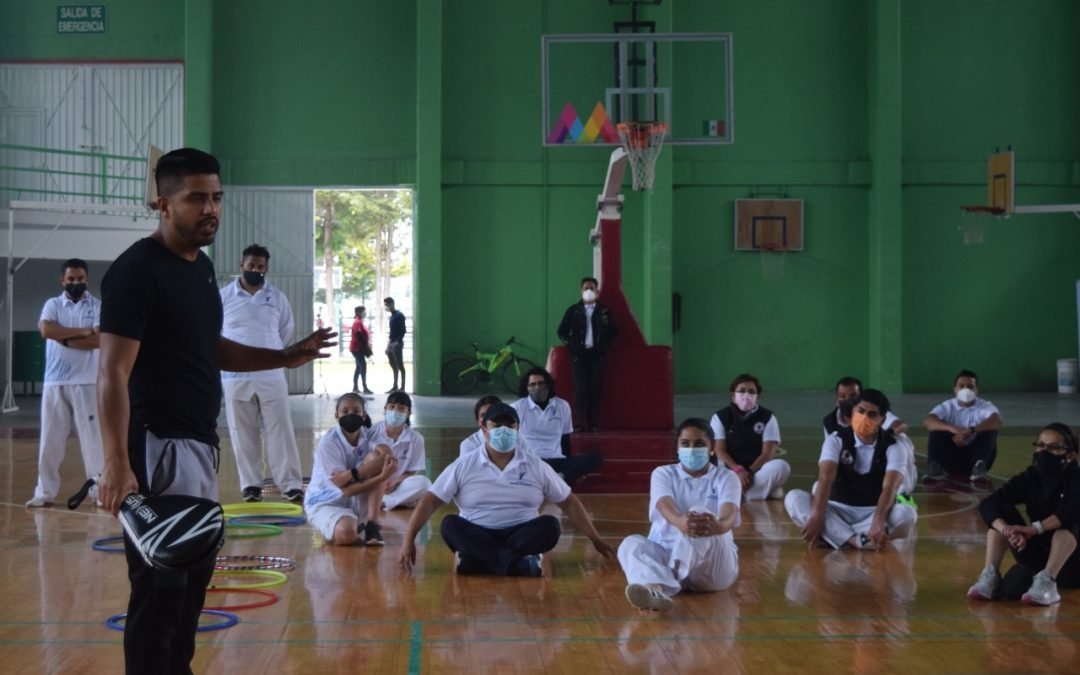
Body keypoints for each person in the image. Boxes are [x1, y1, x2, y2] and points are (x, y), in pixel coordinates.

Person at [94, 147, 335, 675]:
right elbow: (111, 372)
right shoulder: (137, 271)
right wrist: (115, 462)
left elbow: (212, 346)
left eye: (217, 197)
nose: (211, 209)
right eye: (196, 198)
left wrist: (286, 355)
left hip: (199, 444)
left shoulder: (200, 268)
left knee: (190, 587)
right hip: (159, 445)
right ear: (163, 204)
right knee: (161, 588)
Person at [398, 402, 617, 576]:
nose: (503, 430)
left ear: (518, 429)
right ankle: (517, 565)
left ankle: (480, 563)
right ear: (484, 430)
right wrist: (408, 541)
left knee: (550, 526)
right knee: (450, 526)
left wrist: (596, 540)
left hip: (521, 533)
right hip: (478, 531)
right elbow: (430, 501)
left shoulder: (535, 465)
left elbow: (568, 501)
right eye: (496, 425)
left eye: (509, 426)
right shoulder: (464, 464)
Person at [617, 418, 741, 612]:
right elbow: (664, 504)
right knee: (630, 544)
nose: (692, 449)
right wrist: (679, 521)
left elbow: (729, 512)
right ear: (677, 447)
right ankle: (654, 590)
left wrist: (721, 526)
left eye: (699, 444)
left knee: (700, 514)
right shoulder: (663, 473)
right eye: (686, 444)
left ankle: (666, 582)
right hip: (668, 554)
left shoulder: (726, 477)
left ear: (712, 448)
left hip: (712, 566)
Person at [219, 243, 305, 504]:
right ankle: (251, 485)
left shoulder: (277, 297)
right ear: (241, 265)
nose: (255, 269)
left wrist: (268, 354)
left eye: (260, 266)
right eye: (251, 265)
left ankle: (290, 484)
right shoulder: (223, 296)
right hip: (235, 377)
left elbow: (285, 331)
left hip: (271, 375)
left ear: (266, 269)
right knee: (242, 431)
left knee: (280, 430)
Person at [785, 389, 917, 550]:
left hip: (872, 512)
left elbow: (890, 487)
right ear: (853, 411)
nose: (864, 417)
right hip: (837, 509)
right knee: (793, 498)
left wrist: (878, 522)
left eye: (872, 414)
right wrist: (817, 517)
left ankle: (836, 537)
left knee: (907, 515)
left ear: (882, 420)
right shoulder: (836, 440)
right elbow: (826, 479)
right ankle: (857, 541)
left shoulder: (894, 447)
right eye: (860, 411)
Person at [967, 423, 1080, 606]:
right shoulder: (1031, 476)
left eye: (1054, 447)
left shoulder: (1077, 479)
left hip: (1072, 561)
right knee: (1000, 513)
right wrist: (1008, 531)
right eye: (1041, 445)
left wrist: (1034, 529)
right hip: (1039, 552)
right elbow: (990, 503)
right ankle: (990, 575)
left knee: (1068, 526)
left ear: (1070, 455)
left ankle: (1048, 581)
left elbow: (1072, 511)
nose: (1044, 452)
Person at [26, 258, 104, 508]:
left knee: (93, 441)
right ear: (63, 280)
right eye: (71, 279)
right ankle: (45, 492)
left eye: (80, 279)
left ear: (87, 279)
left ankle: (98, 492)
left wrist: (65, 338)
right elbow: (47, 331)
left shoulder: (98, 306)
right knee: (50, 440)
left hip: (86, 382)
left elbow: (99, 340)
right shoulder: (52, 304)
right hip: (54, 382)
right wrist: (82, 332)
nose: (75, 283)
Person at [304, 393, 399, 546]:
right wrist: (380, 478)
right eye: (345, 411)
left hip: (357, 501)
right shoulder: (328, 443)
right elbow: (346, 490)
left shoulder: (371, 434)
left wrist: (351, 474)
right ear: (336, 415)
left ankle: (372, 525)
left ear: (363, 416)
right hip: (327, 502)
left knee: (378, 458)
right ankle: (344, 525)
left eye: (356, 411)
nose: (350, 415)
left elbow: (388, 458)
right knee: (346, 534)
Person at [825, 376, 917, 502]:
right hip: (850, 470)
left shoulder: (873, 411)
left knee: (901, 440)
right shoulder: (830, 422)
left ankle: (902, 493)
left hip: (878, 465)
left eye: (852, 396)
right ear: (837, 399)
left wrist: (887, 437)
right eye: (842, 396)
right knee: (818, 488)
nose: (847, 400)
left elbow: (902, 425)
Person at [512, 367, 603, 484]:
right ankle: (557, 480)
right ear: (526, 387)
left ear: (548, 385)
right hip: (532, 460)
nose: (537, 388)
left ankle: (558, 477)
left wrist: (569, 465)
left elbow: (565, 440)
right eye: (532, 385)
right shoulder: (517, 407)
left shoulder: (562, 406)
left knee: (596, 458)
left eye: (541, 383)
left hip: (557, 459)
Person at [710, 373, 790, 501]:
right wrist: (738, 470)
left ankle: (736, 495)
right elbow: (719, 450)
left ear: (758, 397)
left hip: (755, 471)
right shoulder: (720, 417)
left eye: (751, 392)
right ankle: (759, 492)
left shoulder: (768, 417)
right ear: (733, 396)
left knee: (782, 466)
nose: (746, 395)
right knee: (711, 467)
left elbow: (768, 453)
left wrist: (749, 472)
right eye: (741, 391)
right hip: (729, 468)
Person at [366, 391, 431, 540]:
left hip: (397, 485)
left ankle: (383, 502)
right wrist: (379, 481)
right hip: (373, 485)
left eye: (401, 409)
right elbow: (364, 465)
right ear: (385, 408)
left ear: (409, 413)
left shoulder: (416, 439)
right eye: (392, 407)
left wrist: (394, 481)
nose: (395, 412)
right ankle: (398, 501)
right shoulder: (371, 433)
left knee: (425, 483)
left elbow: (411, 471)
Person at [557, 276, 617, 432]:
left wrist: (606, 346)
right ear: (581, 290)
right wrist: (572, 346)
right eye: (586, 288)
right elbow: (561, 331)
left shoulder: (604, 311)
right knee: (580, 390)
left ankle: (594, 423)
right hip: (579, 356)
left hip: (597, 356)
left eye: (592, 288)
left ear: (597, 291)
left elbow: (613, 332)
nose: (589, 291)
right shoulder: (573, 311)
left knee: (595, 389)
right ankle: (578, 423)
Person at [923, 369, 1003, 481]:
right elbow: (928, 421)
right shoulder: (947, 406)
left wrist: (972, 430)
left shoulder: (985, 406)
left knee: (990, 429)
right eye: (961, 386)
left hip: (975, 458)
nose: (966, 390)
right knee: (937, 428)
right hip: (951, 459)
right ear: (955, 389)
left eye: (970, 386)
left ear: (977, 390)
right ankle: (935, 468)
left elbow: (997, 421)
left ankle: (979, 467)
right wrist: (952, 429)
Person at [349, 305, 373, 395]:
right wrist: (366, 346)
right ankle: (364, 387)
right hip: (357, 348)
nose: (365, 313)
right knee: (363, 366)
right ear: (358, 313)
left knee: (359, 367)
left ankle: (355, 387)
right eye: (364, 312)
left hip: (358, 348)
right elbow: (359, 335)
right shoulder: (357, 322)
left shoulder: (359, 322)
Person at [384, 296, 406, 392]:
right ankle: (395, 385)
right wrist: (388, 344)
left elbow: (403, 330)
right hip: (391, 342)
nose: (386, 307)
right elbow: (391, 332)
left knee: (400, 364)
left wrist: (397, 341)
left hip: (397, 344)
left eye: (386, 305)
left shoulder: (399, 315)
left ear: (391, 304)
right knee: (393, 364)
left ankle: (402, 386)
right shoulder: (392, 316)